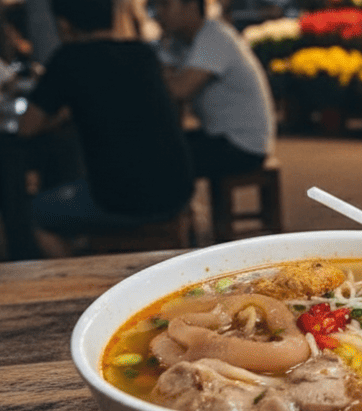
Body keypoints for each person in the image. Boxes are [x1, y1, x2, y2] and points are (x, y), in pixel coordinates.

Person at [18, 0, 194, 255]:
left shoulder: (67, 59)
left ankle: (75, 279)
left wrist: (62, 116)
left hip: (120, 201)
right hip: (178, 190)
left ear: (64, 24)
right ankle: (87, 245)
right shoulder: (143, 53)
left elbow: (27, 127)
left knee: (37, 213)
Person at [152, 0, 275, 179]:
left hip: (243, 145)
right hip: (218, 137)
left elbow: (179, 90)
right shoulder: (179, 42)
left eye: (165, 5)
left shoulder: (215, 36)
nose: (157, 13)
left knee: (160, 159)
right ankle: (182, 207)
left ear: (192, 6)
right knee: (157, 149)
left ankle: (178, 207)